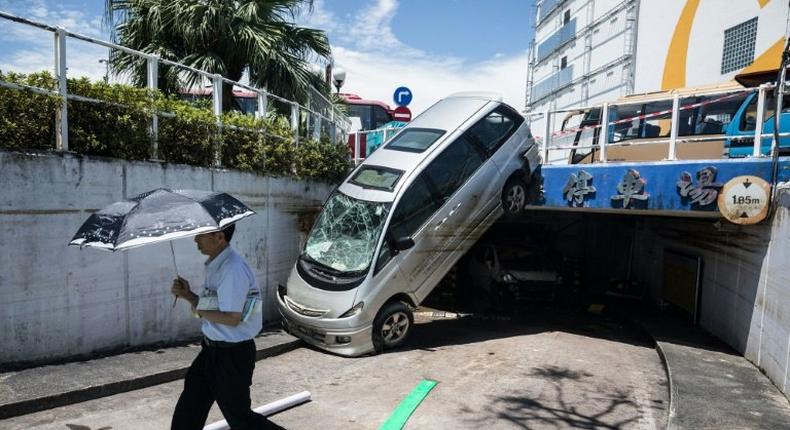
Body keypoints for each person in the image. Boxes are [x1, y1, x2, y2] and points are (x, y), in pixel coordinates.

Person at [170, 224, 284, 430]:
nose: (196, 239)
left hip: (231, 356)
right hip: (211, 351)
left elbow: (232, 318)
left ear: (220, 237)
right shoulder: (217, 265)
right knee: (189, 409)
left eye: (201, 235)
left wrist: (196, 303)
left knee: (241, 419)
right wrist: (188, 295)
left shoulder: (232, 269)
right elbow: (216, 306)